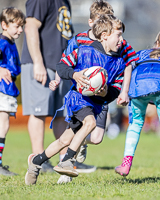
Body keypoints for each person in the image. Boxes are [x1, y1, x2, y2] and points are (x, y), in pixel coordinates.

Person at [25, 14, 136, 185]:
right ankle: (67, 161)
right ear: (105, 35)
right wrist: (75, 74)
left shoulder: (119, 62)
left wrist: (105, 92)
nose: (122, 39)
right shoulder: (84, 51)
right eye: (118, 35)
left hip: (95, 104)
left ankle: (36, 162)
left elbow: (115, 90)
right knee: (90, 124)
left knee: (64, 140)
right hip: (78, 99)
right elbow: (61, 66)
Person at [21, 0, 74, 173]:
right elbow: (30, 26)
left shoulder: (64, 1)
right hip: (42, 65)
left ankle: (64, 160)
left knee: (61, 114)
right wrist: (37, 62)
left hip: (60, 68)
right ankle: (38, 160)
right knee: (39, 111)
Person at [115, 32, 160, 177]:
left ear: (156, 43)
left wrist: (124, 91)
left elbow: (127, 67)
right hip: (158, 86)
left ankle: (125, 165)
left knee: (135, 124)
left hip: (137, 88)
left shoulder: (140, 54)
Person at [0, 7, 26, 176]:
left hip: (8, 89)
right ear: (4, 25)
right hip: (3, 89)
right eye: (16, 26)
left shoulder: (10, 42)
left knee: (4, 124)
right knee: (2, 124)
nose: (20, 30)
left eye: (21, 26)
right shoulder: (3, 42)